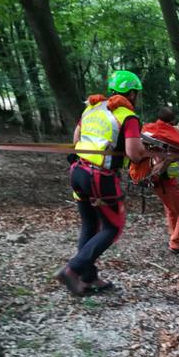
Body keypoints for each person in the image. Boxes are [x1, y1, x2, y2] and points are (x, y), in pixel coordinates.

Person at [56, 70, 155, 295]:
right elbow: (134, 153)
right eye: (136, 93)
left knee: (90, 225)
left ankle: (88, 278)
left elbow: (76, 138)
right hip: (100, 177)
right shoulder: (127, 116)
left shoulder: (92, 107)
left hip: (78, 172)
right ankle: (72, 270)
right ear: (131, 93)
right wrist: (146, 153)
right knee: (113, 227)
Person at [151, 107, 179, 254]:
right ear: (173, 121)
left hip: (160, 183)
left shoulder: (153, 130)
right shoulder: (170, 135)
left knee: (171, 211)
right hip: (166, 183)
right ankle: (176, 244)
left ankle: (175, 235)